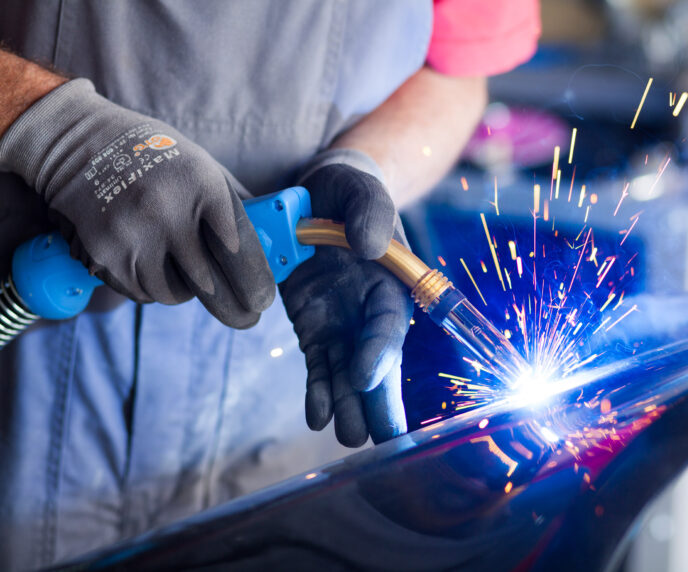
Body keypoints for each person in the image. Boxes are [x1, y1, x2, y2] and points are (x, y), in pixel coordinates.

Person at [0, 0, 539, 568]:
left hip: (291, 378)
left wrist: (366, 167)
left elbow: (456, 75)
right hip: (34, 364)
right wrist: (51, 126)